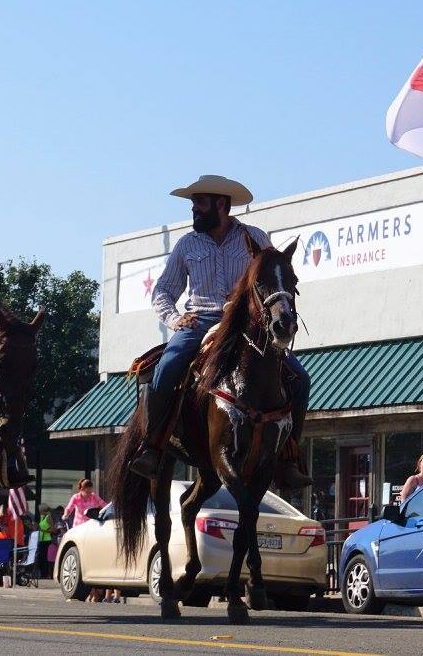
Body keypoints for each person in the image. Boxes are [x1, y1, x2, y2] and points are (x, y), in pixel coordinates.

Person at [129, 174, 311, 488]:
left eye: (199, 203)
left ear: (220, 204)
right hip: (198, 321)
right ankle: (152, 448)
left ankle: (288, 456)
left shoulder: (253, 237)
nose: (194, 210)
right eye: (194, 204)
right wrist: (174, 319)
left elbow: (272, 275)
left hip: (246, 322)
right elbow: (163, 291)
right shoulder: (187, 244)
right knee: (167, 369)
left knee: (300, 378)